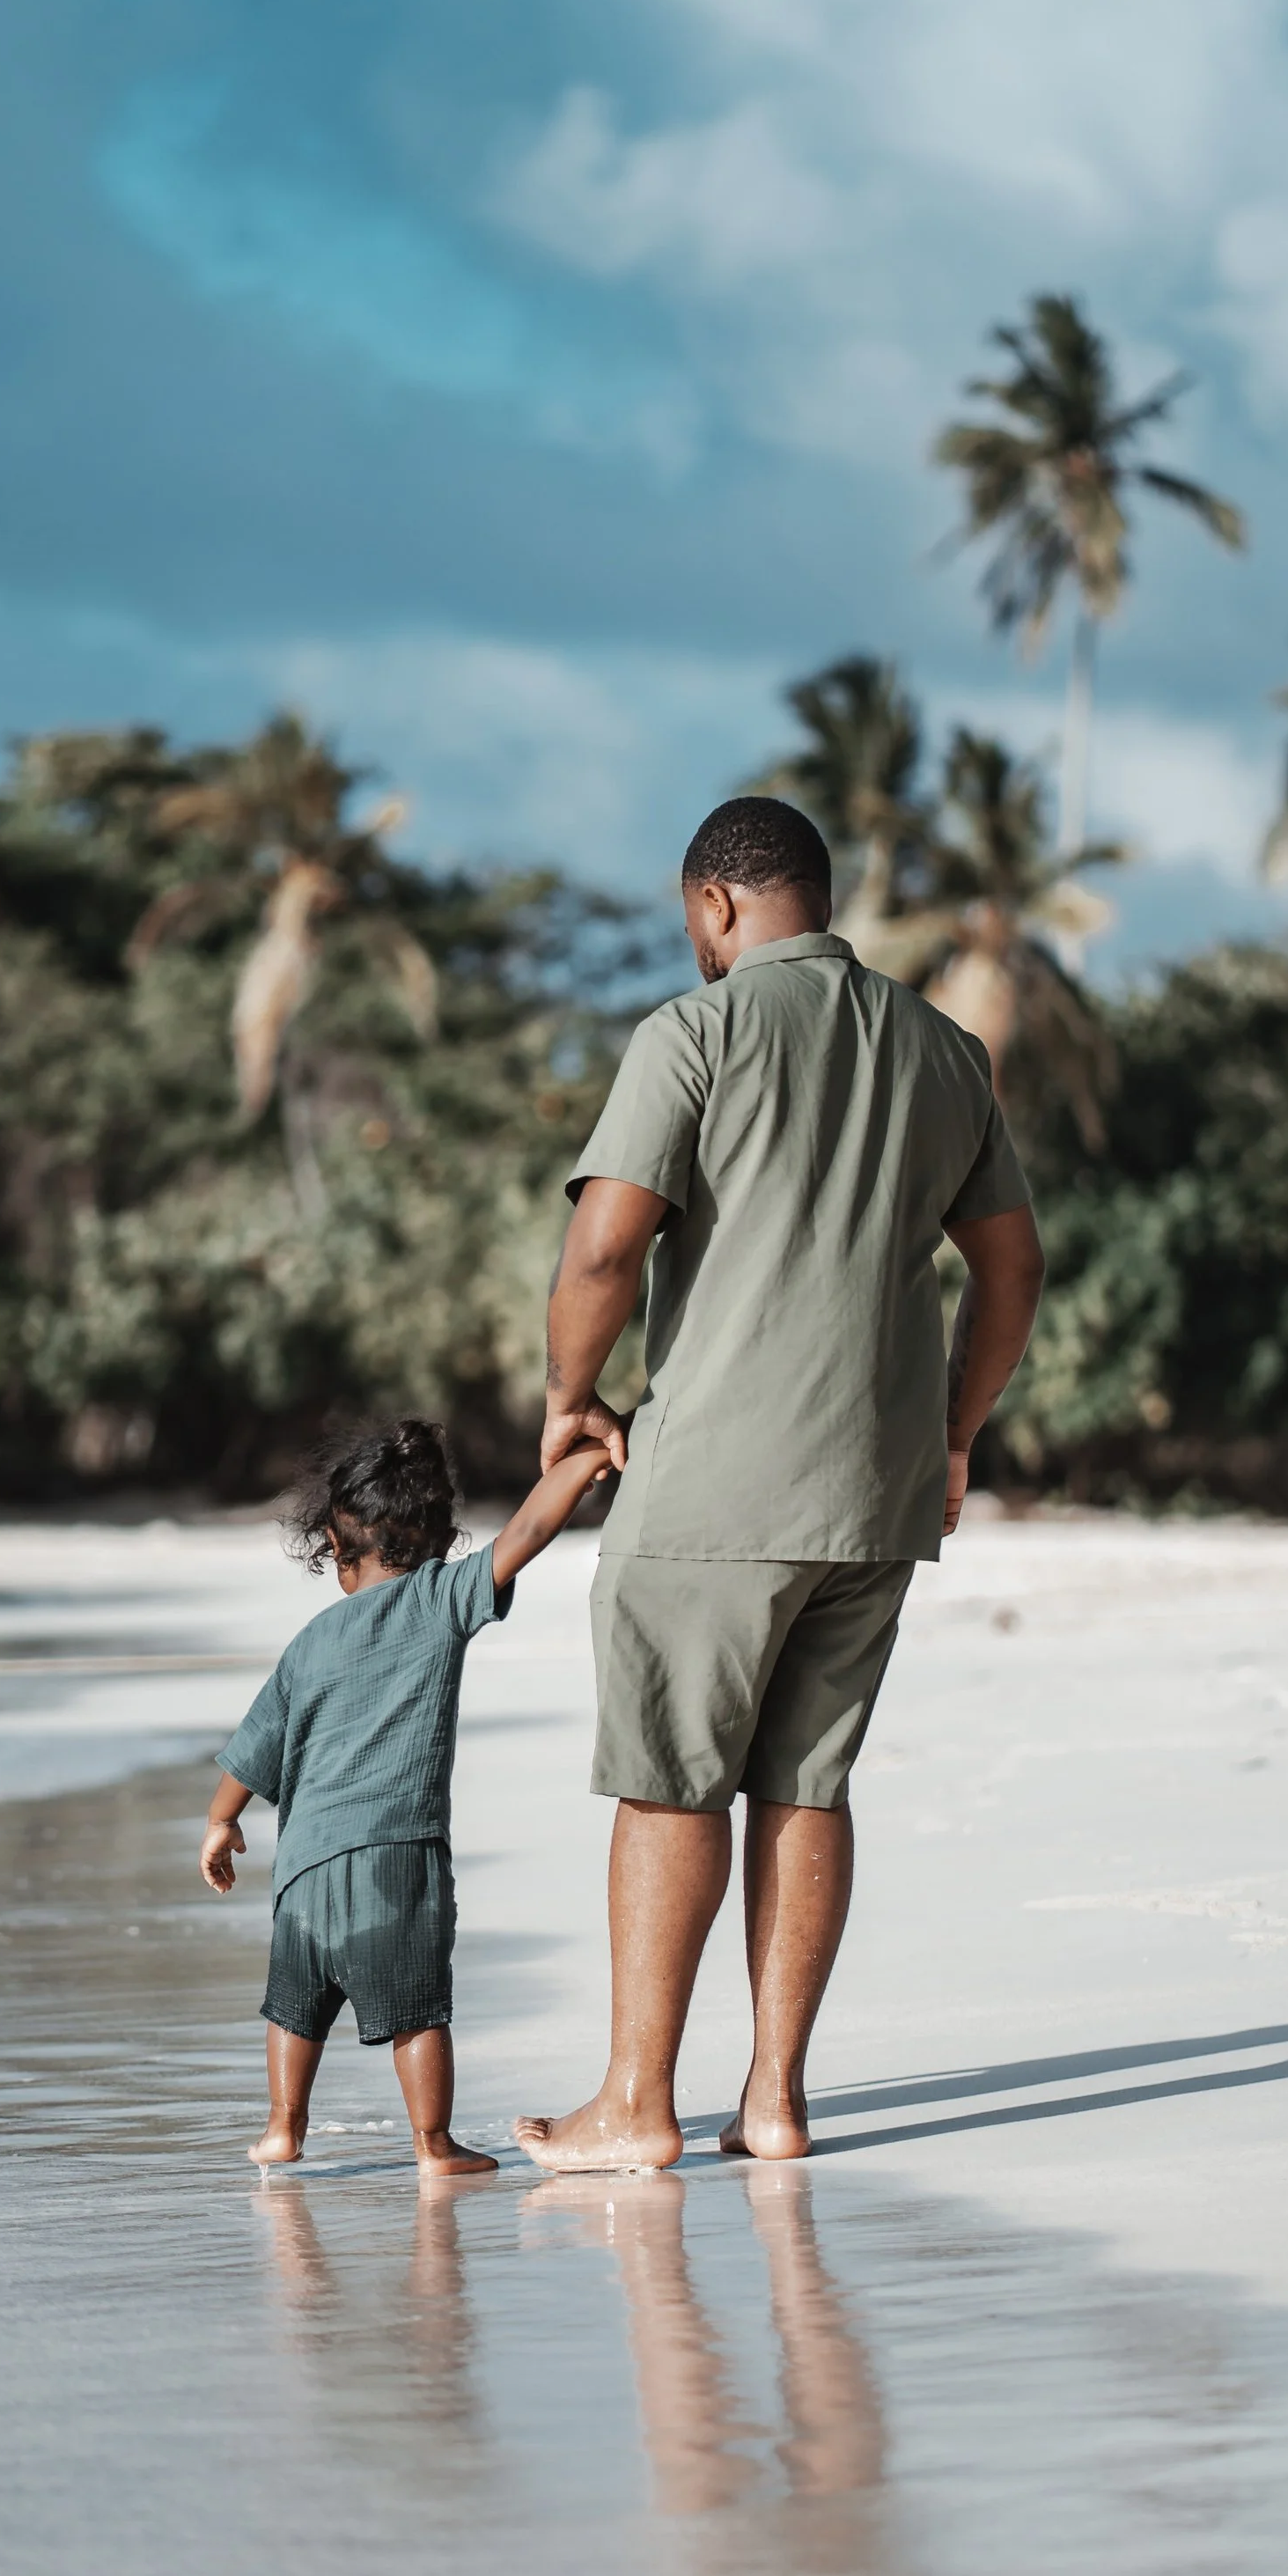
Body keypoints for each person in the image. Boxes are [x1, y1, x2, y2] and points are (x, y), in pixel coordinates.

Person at [515, 794, 1045, 2176]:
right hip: (872, 1489)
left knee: (670, 1784)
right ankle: (774, 2099)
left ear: (717, 906)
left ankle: (636, 2103)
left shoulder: (693, 1033)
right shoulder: (944, 1049)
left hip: (714, 1487)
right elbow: (1013, 1268)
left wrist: (573, 1400)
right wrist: (954, 1430)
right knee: (809, 1782)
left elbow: (602, 1250)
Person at [201, 1416, 607, 2175]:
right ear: (437, 1540)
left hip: (303, 1875)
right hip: (397, 1858)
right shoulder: (438, 1598)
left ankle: (283, 2129)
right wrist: (582, 1460)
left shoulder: (310, 1642)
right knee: (418, 2012)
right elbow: (526, 1531)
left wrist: (222, 1823)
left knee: (294, 2008)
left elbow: (253, 1748)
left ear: (333, 1546)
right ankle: (434, 2144)